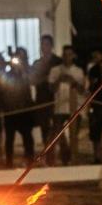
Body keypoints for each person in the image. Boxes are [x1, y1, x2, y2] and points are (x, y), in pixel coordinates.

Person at [47, 45, 85, 165]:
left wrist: (73, 81)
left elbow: (82, 90)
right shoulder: (55, 70)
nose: (67, 57)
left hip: (75, 108)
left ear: (73, 56)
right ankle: (64, 158)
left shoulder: (78, 71)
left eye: (69, 54)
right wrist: (59, 79)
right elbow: (51, 89)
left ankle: (72, 159)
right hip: (59, 108)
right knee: (59, 136)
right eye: (64, 54)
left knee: (74, 136)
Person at [0, 47, 35, 168]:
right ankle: (9, 162)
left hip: (24, 111)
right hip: (10, 111)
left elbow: (29, 89)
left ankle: (30, 160)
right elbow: (2, 91)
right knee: (9, 139)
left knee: (27, 138)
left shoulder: (26, 74)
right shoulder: (6, 76)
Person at [30, 35, 63, 164]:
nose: (44, 47)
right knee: (44, 128)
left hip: (57, 99)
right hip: (42, 99)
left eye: (47, 44)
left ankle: (59, 154)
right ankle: (48, 155)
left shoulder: (58, 62)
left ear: (51, 46)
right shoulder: (37, 63)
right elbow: (32, 80)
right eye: (42, 44)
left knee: (57, 128)